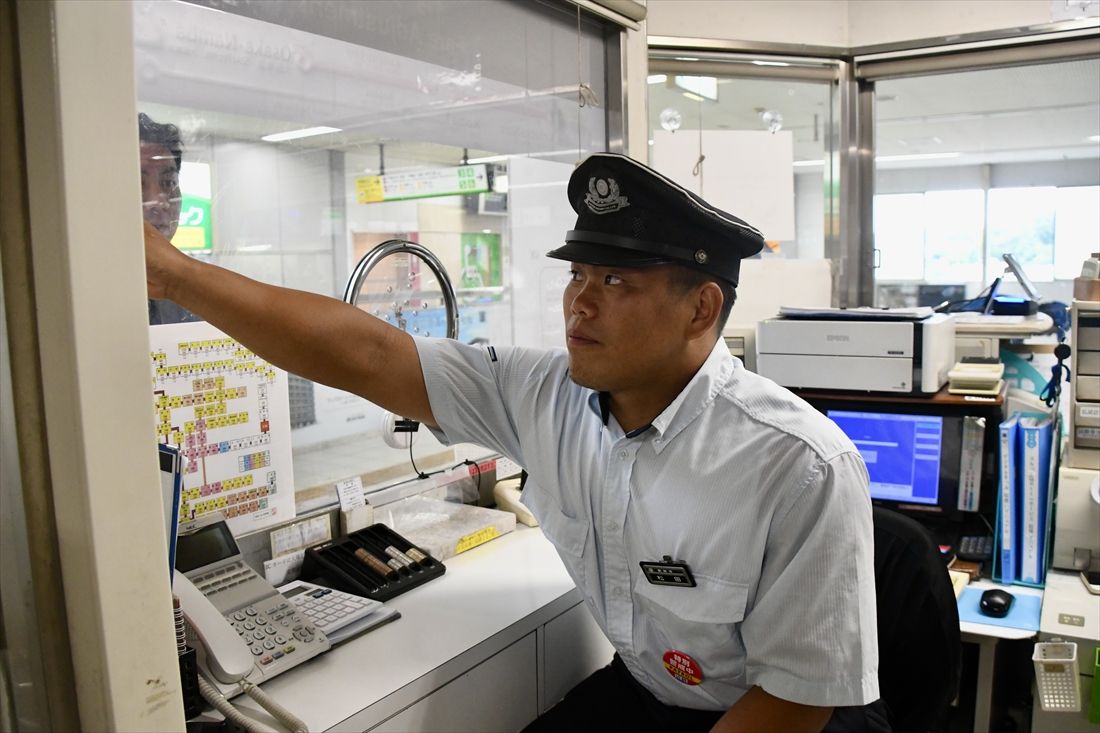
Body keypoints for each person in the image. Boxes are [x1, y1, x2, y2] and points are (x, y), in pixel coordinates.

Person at [144, 153, 883, 732]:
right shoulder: (543, 395)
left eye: (617, 280)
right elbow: (368, 355)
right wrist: (172, 272)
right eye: (580, 274)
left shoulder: (798, 464)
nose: (580, 302)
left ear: (702, 308)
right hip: (652, 694)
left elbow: (795, 699)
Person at [139, 112, 200, 325]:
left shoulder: (196, 299)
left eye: (167, 183)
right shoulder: (77, 293)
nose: (159, 202)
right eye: (136, 183)